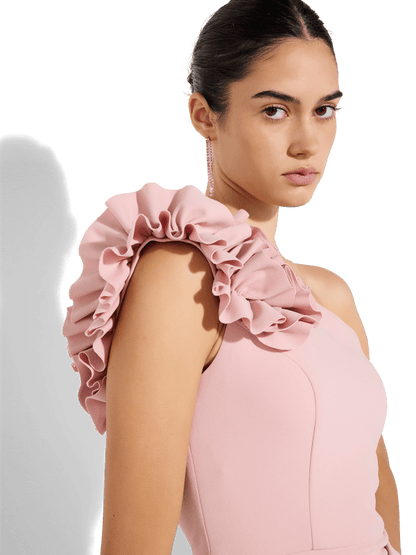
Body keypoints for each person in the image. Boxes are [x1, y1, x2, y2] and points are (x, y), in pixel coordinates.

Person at [62, 0, 402, 553]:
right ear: (203, 115)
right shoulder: (179, 277)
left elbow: (378, 504)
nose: (307, 142)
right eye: (275, 110)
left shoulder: (333, 296)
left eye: (324, 110)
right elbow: (134, 545)